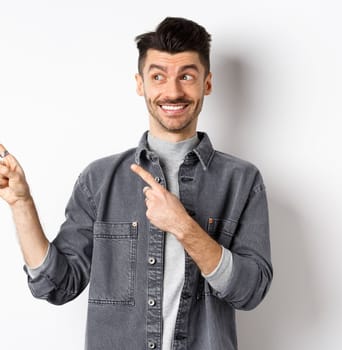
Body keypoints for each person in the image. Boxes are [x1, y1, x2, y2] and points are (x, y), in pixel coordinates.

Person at [0, 17, 272, 350]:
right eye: (158, 76)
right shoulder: (99, 180)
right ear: (140, 83)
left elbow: (251, 291)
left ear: (207, 83)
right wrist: (20, 204)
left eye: (187, 76)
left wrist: (185, 228)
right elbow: (57, 286)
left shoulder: (242, 181)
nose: (172, 91)